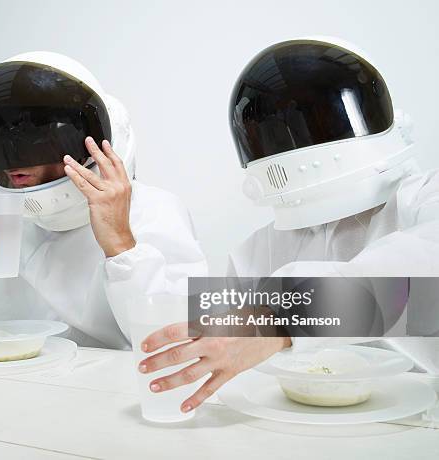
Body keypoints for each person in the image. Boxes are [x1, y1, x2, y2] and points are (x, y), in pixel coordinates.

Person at [137, 38, 439, 414]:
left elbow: (417, 274)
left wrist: (276, 318)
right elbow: (192, 328)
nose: (302, 139)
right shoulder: (259, 249)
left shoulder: (426, 200)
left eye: (319, 119)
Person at [0, 52, 207, 349]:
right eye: (2, 143)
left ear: (87, 145)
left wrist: (121, 245)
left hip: (107, 387)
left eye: (35, 140)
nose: (12, 160)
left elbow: (180, 341)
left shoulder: (154, 209)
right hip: (9, 378)